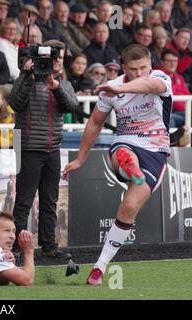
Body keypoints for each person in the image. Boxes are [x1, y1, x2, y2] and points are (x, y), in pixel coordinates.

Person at [62, 44, 173, 285]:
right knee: (123, 151)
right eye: (133, 69)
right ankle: (128, 166)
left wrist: (119, 87)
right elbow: (94, 123)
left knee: (129, 208)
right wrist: (80, 159)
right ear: (124, 67)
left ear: (150, 64)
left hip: (156, 148)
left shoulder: (159, 78)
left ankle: (99, 269)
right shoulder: (110, 91)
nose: (140, 73)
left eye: (143, 67)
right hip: (126, 140)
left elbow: (148, 85)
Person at [9, 39, 79, 259]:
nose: (56, 62)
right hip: (27, 147)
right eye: (52, 58)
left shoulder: (63, 84)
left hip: (53, 148)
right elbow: (15, 103)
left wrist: (56, 87)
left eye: (59, 58)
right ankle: (15, 246)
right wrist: (27, 76)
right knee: (24, 201)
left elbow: (71, 106)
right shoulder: (25, 79)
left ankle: (49, 245)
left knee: (50, 200)